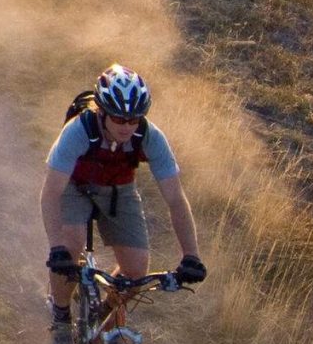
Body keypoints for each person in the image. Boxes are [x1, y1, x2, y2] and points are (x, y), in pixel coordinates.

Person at [40, 63, 206, 323]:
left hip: (119, 191)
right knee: (70, 246)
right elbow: (51, 192)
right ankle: (60, 311)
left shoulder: (150, 137)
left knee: (136, 271)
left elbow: (175, 199)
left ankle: (102, 315)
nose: (127, 126)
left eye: (134, 118)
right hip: (73, 187)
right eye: (118, 118)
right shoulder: (78, 131)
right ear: (102, 112)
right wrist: (56, 247)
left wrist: (191, 254)